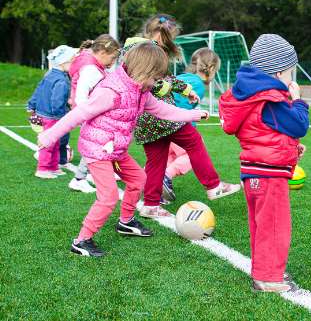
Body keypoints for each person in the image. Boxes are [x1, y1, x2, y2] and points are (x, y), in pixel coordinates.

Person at [37, 42, 207, 257]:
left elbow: (163, 110)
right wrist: (50, 136)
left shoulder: (141, 91)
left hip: (116, 150)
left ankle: (125, 221)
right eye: (156, 78)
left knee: (138, 179)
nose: (158, 83)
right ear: (143, 71)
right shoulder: (111, 92)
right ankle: (81, 240)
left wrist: (193, 114)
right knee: (108, 197)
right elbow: (79, 114)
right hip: (98, 150)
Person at [123, 14, 240, 219]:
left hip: (145, 119)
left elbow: (164, 79)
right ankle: (213, 186)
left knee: (156, 160)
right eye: (169, 38)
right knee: (194, 141)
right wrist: (176, 93)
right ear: (160, 34)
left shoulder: (136, 48)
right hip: (161, 115)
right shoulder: (147, 51)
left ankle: (151, 205)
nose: (170, 43)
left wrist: (185, 90)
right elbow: (155, 83)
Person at [219, 34, 309, 292]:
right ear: (278, 72)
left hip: (254, 171)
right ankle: (268, 277)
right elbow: (299, 124)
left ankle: (264, 269)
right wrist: (299, 100)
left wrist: (291, 148)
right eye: (291, 73)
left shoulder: (250, 96)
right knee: (274, 226)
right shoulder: (270, 99)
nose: (292, 79)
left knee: (261, 225)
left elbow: (265, 131)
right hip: (269, 175)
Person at [161, 47, 221, 203]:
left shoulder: (183, 77)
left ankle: (151, 183)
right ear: (212, 68)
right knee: (191, 154)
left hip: (161, 122)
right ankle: (165, 177)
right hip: (175, 125)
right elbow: (181, 106)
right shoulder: (198, 85)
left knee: (168, 156)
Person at [67, 34, 121, 194]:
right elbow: (81, 95)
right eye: (112, 58)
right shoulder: (91, 69)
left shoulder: (95, 65)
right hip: (90, 113)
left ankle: (92, 173)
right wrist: (89, 114)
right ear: (103, 52)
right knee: (96, 144)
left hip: (92, 112)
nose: (113, 63)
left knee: (103, 142)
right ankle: (78, 179)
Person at [27, 45, 77, 179]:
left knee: (55, 142)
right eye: (72, 61)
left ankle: (53, 167)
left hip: (44, 114)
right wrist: (61, 117)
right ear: (63, 62)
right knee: (50, 143)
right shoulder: (62, 80)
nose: (74, 64)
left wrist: (31, 104)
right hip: (53, 116)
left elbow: (38, 90)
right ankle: (43, 169)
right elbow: (57, 101)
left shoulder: (49, 75)